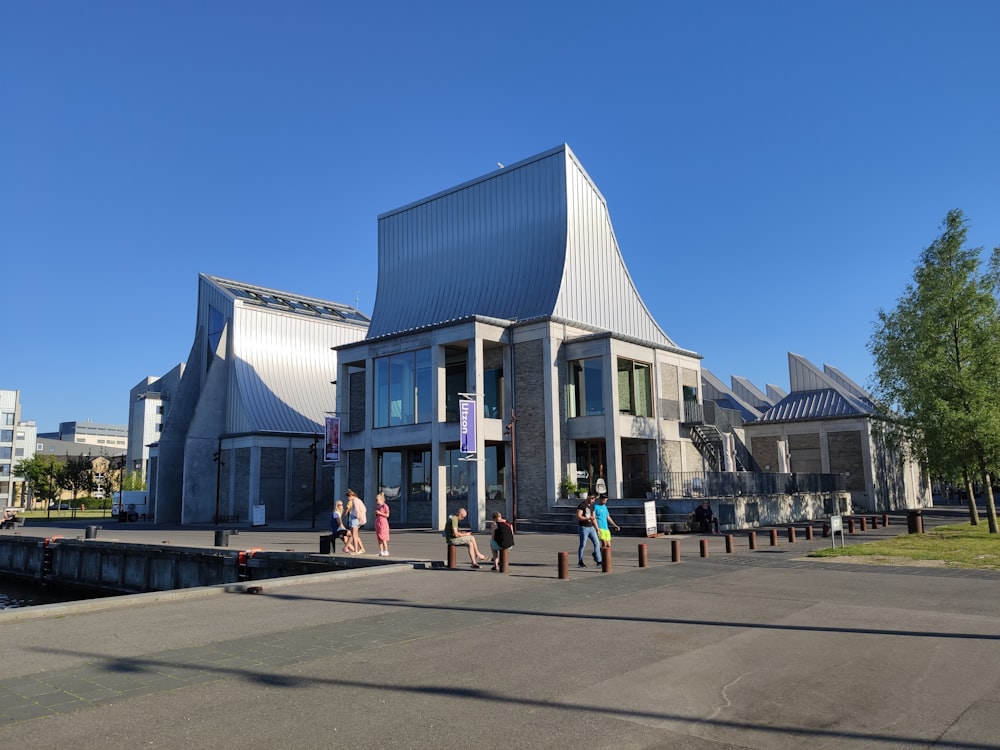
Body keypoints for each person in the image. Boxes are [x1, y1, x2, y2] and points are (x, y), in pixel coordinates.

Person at [576, 494, 602, 568]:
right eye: (592, 499)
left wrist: (597, 529)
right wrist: (587, 518)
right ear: (588, 498)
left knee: (597, 543)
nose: (593, 501)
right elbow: (578, 516)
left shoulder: (592, 507)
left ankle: (599, 561)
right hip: (583, 528)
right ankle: (580, 562)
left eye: (594, 499)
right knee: (582, 544)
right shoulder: (582, 505)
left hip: (591, 528)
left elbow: (593, 518)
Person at [346, 489, 367, 554]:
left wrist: (359, 519)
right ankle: (362, 548)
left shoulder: (355, 501)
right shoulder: (358, 500)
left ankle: (355, 551)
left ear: (352, 496)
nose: (348, 498)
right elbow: (364, 509)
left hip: (355, 519)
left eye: (348, 497)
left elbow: (357, 511)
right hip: (355, 519)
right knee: (356, 536)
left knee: (354, 536)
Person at [374, 492, 391, 556]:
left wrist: (380, 513)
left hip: (383, 523)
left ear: (381, 500)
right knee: (379, 537)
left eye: (377, 500)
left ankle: (386, 550)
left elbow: (387, 515)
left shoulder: (385, 506)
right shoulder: (377, 506)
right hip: (378, 522)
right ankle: (381, 550)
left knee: (383, 537)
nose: (376, 501)